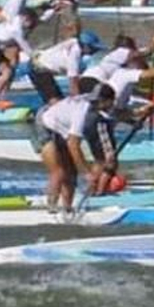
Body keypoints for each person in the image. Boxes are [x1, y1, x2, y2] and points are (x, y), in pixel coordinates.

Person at [37, 84, 118, 213]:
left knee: (71, 174)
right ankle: (51, 209)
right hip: (45, 124)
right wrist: (87, 173)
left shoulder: (95, 105)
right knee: (59, 171)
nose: (110, 107)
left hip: (62, 129)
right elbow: (73, 145)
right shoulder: (82, 112)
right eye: (108, 103)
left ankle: (67, 210)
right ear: (105, 101)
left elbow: (117, 113)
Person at [26, 23, 101, 104]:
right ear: (86, 46)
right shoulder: (74, 56)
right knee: (55, 101)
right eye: (93, 48)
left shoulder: (74, 42)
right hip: (38, 69)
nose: (95, 51)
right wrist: (78, 103)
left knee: (59, 98)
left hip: (39, 63)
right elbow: (73, 84)